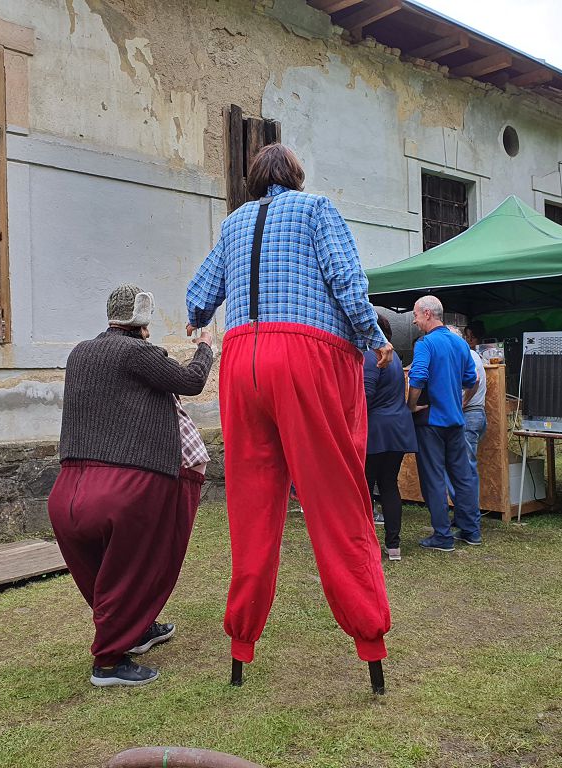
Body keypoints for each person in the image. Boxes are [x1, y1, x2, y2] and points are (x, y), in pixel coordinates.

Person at [186, 143, 393, 691]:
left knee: (251, 507)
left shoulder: (233, 223)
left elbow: (199, 295)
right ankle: (369, 638)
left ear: (256, 178)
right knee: (336, 498)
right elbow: (347, 280)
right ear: (295, 176)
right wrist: (374, 336)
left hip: (241, 363)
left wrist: (196, 317)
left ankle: (241, 644)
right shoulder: (316, 208)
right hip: (305, 355)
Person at [48, 284, 214, 688]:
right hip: (124, 486)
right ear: (143, 319)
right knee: (138, 568)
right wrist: (206, 347)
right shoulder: (138, 352)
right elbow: (191, 381)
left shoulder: (79, 353)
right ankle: (108, 664)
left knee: (103, 574)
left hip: (68, 489)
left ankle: (136, 630)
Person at [407, 296, 481, 552]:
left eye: (416, 315)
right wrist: (460, 401)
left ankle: (442, 535)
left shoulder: (425, 344)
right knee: (463, 476)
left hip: (431, 421)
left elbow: (417, 376)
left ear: (427, 314)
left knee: (434, 478)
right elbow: (472, 379)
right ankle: (471, 531)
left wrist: (411, 405)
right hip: (456, 420)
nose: (414, 321)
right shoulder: (460, 343)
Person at [364, 313, 417, 561]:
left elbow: (365, 396)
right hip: (398, 428)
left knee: (365, 487)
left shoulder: (372, 356)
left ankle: (366, 544)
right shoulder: (394, 357)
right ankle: (393, 546)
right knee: (388, 485)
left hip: (376, 431)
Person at [446, 325, 487, 517]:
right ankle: (467, 515)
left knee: (464, 469)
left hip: (469, 415)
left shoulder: (464, 355)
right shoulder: (472, 354)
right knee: (464, 468)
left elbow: (475, 379)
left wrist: (462, 402)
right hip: (476, 414)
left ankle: (468, 517)